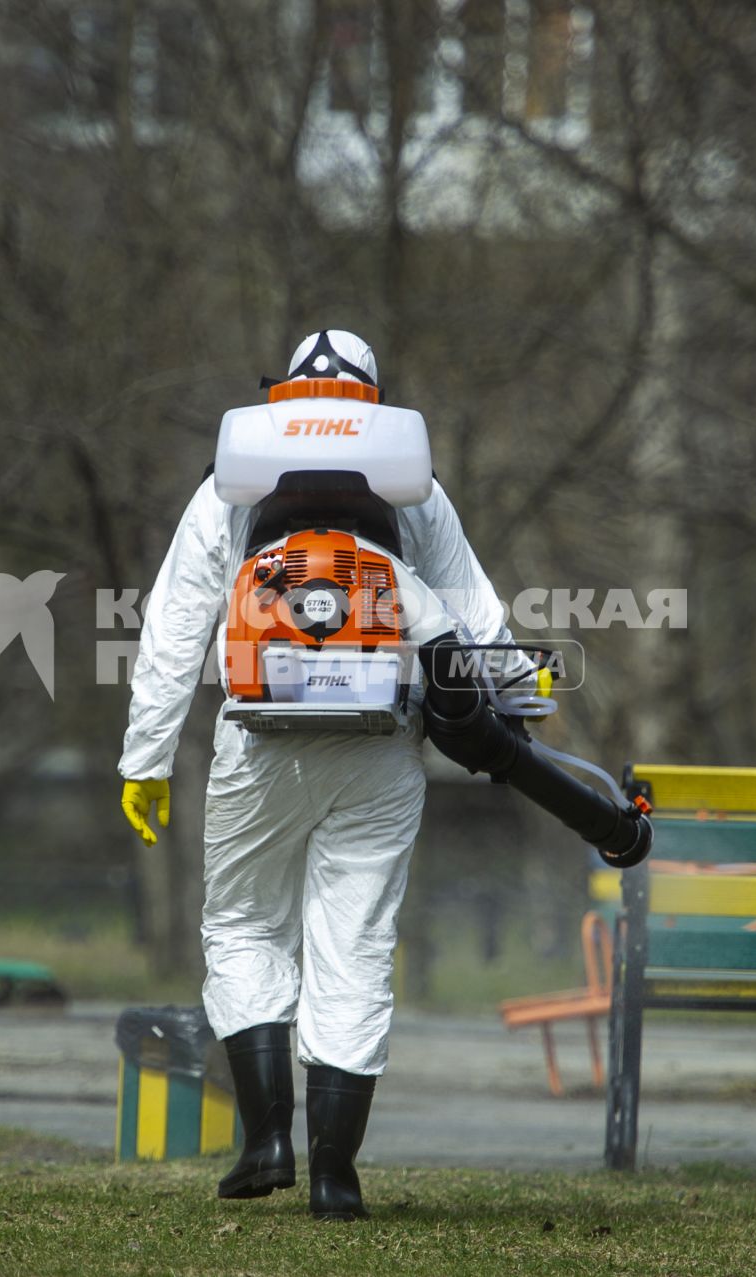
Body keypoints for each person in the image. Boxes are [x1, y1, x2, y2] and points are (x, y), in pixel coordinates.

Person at [118, 329, 512, 1221]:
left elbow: (176, 629)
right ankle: (336, 1172)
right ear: (377, 401)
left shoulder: (231, 485)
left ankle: (267, 1138)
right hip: (378, 748)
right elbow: (475, 620)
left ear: (283, 393)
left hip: (259, 744)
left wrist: (144, 759)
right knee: (355, 947)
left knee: (246, 922)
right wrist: (517, 719)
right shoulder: (415, 491)